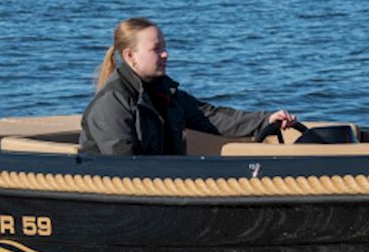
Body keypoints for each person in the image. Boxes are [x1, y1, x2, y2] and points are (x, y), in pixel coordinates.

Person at [79, 17, 296, 156]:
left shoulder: (166, 93)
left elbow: (211, 117)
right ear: (130, 56)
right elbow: (122, 162)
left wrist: (265, 120)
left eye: (164, 47)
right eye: (156, 49)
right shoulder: (113, 101)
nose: (166, 54)